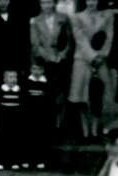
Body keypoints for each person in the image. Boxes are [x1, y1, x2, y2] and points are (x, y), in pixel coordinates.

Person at [67, 0, 112, 140]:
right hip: (82, 59)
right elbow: (80, 39)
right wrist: (92, 57)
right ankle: (85, 130)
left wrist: (101, 55)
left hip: (101, 60)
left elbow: (109, 36)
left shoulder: (107, 16)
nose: (91, 2)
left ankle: (95, 128)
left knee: (98, 94)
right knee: (81, 96)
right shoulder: (76, 17)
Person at [29, 0, 71, 131]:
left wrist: (62, 54)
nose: (46, 6)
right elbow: (35, 44)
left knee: (61, 94)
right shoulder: (35, 21)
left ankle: (59, 125)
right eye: (43, 3)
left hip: (61, 62)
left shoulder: (63, 18)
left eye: (49, 2)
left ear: (54, 3)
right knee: (46, 94)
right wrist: (49, 57)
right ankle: (47, 124)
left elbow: (69, 40)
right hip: (44, 63)